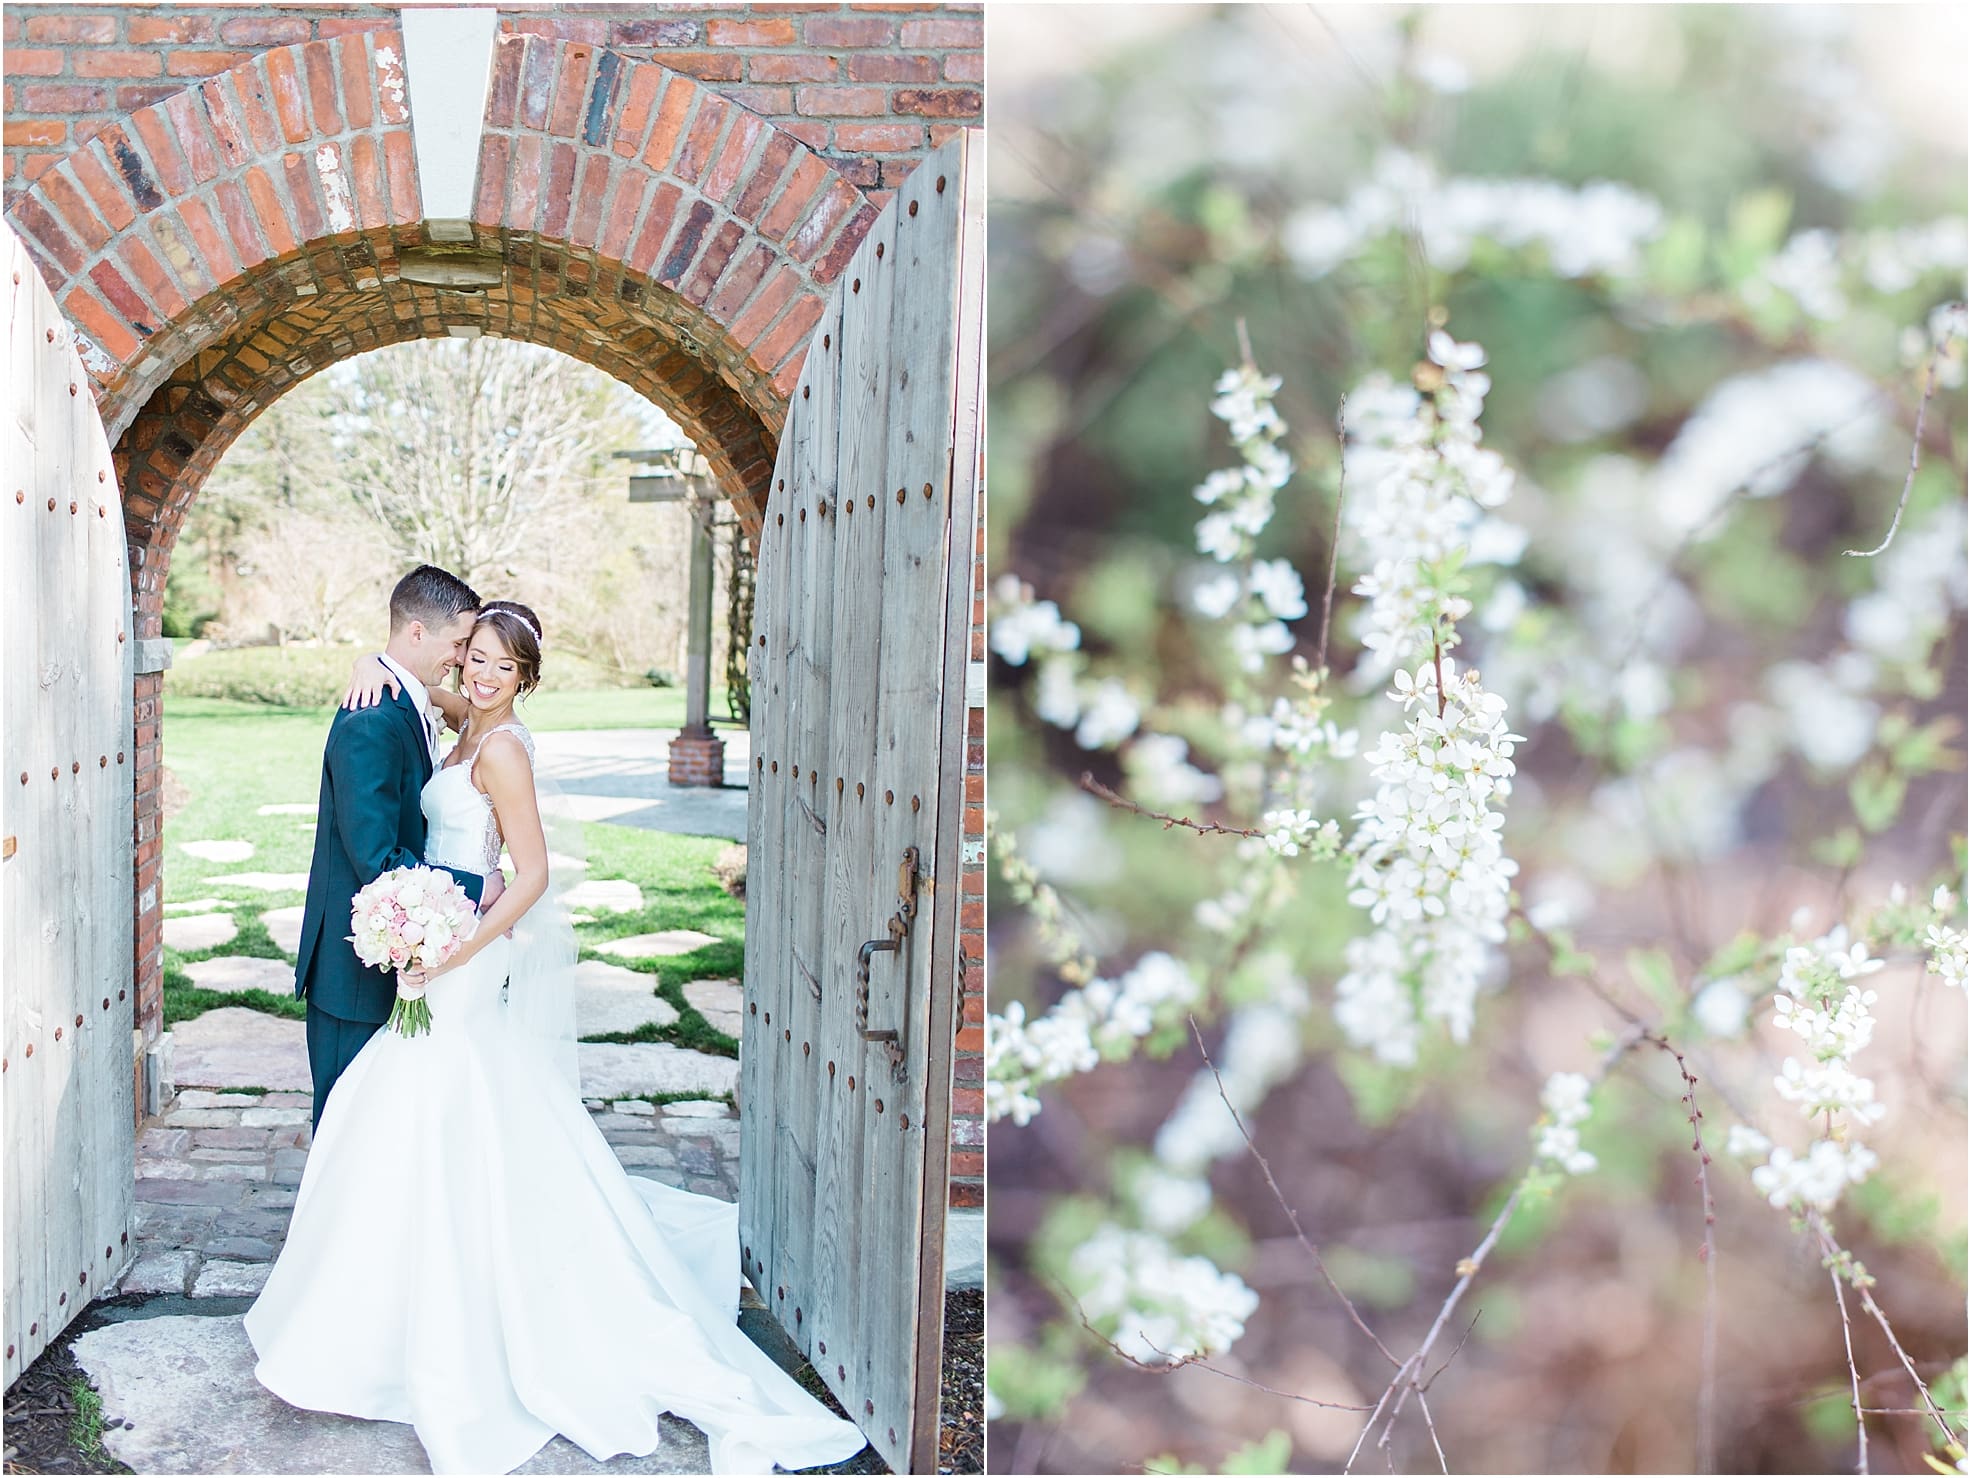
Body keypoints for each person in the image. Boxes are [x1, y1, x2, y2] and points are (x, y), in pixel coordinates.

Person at [244, 603, 866, 1475]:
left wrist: (445, 947)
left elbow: (530, 874)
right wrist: (368, 656)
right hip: (442, 944)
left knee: (432, 1101)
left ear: (527, 678)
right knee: (406, 1110)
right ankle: (401, 1303)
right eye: (475, 659)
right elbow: (413, 675)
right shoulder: (463, 723)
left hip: (464, 952)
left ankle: (464, 1316)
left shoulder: (499, 748)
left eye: (501, 665)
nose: (482, 673)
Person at [292, 565, 483, 1130]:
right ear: (418, 632)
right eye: (457, 644)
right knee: (344, 1124)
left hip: (397, 952)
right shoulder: (372, 720)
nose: (461, 657)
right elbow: (375, 859)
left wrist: (370, 658)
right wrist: (479, 890)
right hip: (353, 970)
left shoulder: (410, 700)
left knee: (385, 1126)